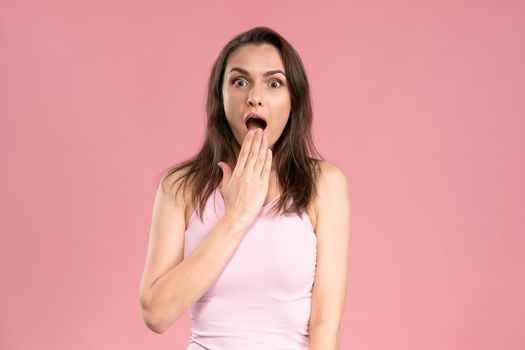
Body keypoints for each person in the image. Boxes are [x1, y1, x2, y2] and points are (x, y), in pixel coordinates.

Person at [138, 26, 351, 349]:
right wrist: (236, 215)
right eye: (239, 82)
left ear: (294, 99)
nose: (254, 96)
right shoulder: (181, 186)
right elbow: (156, 313)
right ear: (219, 97)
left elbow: (325, 324)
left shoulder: (324, 185)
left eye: (274, 83)